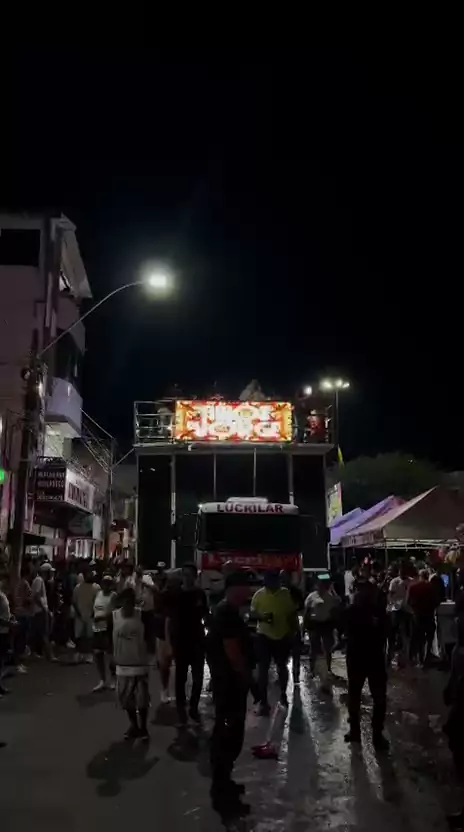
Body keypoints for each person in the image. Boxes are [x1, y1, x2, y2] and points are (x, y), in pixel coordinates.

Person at [207, 570, 255, 814]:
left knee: (230, 736)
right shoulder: (226, 613)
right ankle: (222, 794)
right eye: (245, 586)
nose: (249, 591)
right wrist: (249, 679)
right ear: (234, 588)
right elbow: (233, 654)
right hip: (229, 685)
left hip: (229, 685)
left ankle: (224, 782)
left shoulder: (230, 611)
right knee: (228, 737)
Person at [343, 575, 389, 750]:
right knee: (365, 697)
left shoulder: (354, 611)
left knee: (363, 697)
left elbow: (344, 630)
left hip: (363, 658)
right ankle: (368, 733)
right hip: (368, 658)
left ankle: (369, 733)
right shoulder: (374, 611)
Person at [166, 563, 208, 724]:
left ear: (195, 576)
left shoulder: (200, 594)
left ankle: (194, 707)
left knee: (198, 677)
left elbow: (205, 615)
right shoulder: (175, 594)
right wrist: (169, 643)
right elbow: (169, 619)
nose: (187, 578)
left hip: (197, 639)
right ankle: (181, 709)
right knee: (180, 677)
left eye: (190, 574)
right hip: (180, 640)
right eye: (184, 574)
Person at [251, 570, 296, 714]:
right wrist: (262, 617)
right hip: (263, 636)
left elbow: (292, 614)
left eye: (275, 580)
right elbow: (252, 613)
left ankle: (283, 694)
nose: (272, 583)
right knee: (262, 670)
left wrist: (294, 633)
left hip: (282, 636)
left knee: (282, 667)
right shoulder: (259, 595)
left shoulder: (285, 594)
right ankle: (263, 702)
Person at [113, 587, 150, 741]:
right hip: (122, 663)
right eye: (126, 601)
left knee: (142, 699)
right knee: (126, 699)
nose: (128, 604)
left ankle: (143, 728)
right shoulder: (114, 616)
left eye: (131, 601)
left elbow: (149, 635)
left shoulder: (141, 615)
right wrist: (112, 657)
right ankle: (134, 725)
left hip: (139, 663)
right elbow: (110, 638)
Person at [92, 575, 117, 692]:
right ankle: (102, 679)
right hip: (97, 627)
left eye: (108, 583)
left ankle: (113, 678)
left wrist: (102, 617)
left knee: (110, 655)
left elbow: (114, 612)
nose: (106, 585)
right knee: (98, 654)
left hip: (108, 627)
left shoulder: (113, 595)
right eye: (104, 583)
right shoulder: (98, 594)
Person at [408, 568, 437, 666]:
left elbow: (408, 601)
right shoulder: (431, 587)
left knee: (418, 637)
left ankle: (419, 659)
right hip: (429, 615)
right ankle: (427, 655)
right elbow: (436, 601)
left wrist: (413, 610)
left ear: (420, 576)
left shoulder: (413, 587)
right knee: (429, 636)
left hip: (417, 615)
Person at [280, 570, 304, 685]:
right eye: (282, 579)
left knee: (296, 652)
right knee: (282, 653)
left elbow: (301, 607)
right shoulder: (277, 593)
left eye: (285, 578)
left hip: (293, 624)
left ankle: (296, 675)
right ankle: (282, 675)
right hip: (280, 626)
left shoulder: (295, 592)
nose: (283, 581)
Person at [386, 563, 411, 666]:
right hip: (396, 609)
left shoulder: (410, 581)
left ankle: (404, 655)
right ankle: (391, 655)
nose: (402, 572)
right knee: (393, 632)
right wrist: (393, 603)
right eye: (401, 571)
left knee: (405, 633)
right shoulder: (394, 581)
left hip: (407, 610)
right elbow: (390, 595)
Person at [73, 570, 100, 663]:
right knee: (79, 637)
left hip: (91, 615)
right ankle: (79, 655)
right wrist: (78, 613)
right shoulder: (78, 587)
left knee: (89, 637)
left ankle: (89, 656)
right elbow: (74, 602)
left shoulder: (96, 587)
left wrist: (94, 613)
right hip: (80, 615)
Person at [30, 562, 52, 659]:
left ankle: (36, 652)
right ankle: (49, 654)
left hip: (38, 610)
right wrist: (44, 608)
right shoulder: (39, 580)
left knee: (38, 632)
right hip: (40, 610)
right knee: (44, 632)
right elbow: (37, 596)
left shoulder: (39, 580)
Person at [0, 572, 15, 696]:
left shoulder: (2, 594)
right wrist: (8, 623)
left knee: (2, 660)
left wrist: (11, 617)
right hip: (1, 631)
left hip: (5, 631)